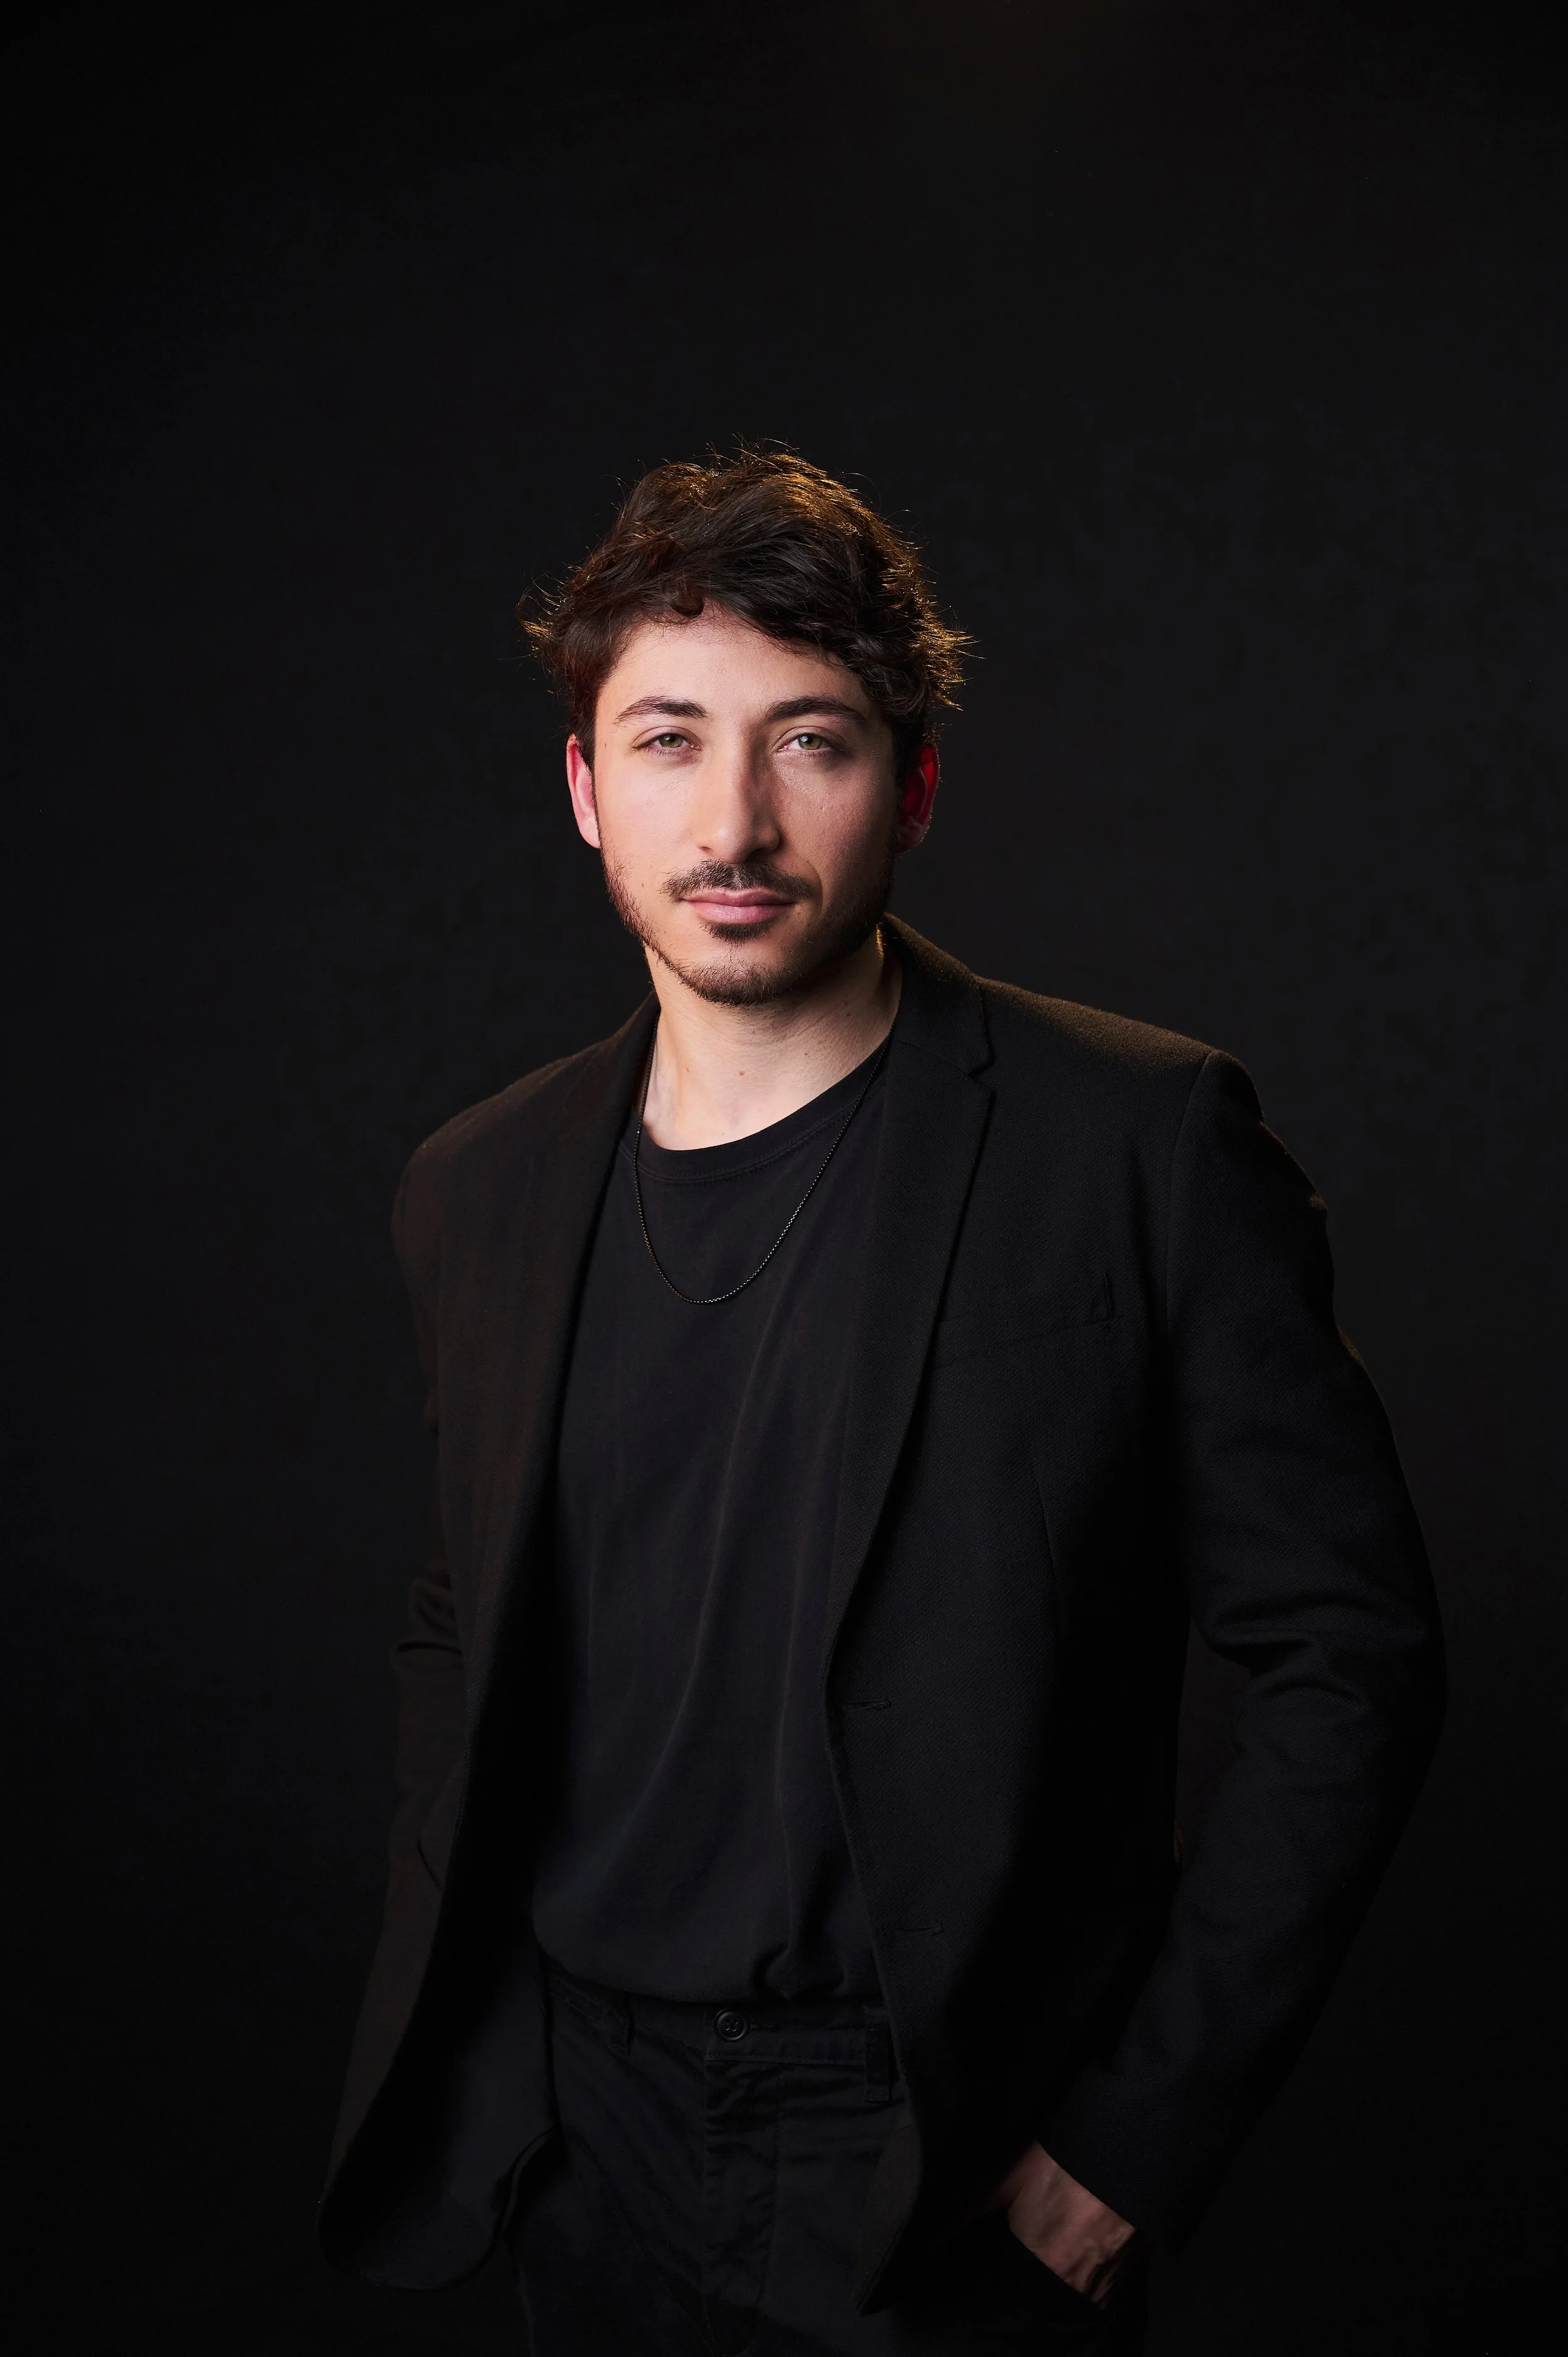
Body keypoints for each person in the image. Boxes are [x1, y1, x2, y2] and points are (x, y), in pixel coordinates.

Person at [319, 448, 1444, 2353]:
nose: (734, 819)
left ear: (908, 787)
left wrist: (1126, 2144)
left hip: (934, 2147)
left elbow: (1352, 1647)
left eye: (811, 739)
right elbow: (464, 1608)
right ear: (588, 791)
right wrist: (503, 2028)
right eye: (669, 738)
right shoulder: (477, 1184)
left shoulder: (1135, 1144)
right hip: (578, 2133)